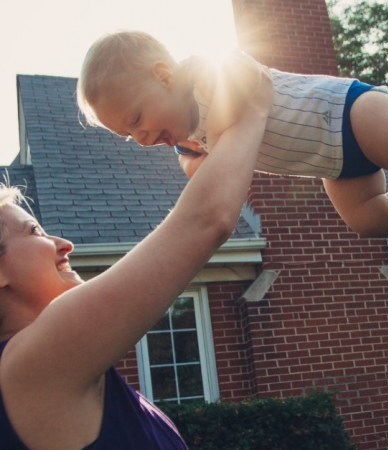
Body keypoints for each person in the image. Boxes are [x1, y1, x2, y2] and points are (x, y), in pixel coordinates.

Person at [0, 71, 272, 450]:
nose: (64, 244)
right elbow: (205, 221)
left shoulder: (59, 367)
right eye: (34, 232)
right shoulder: (31, 366)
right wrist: (257, 101)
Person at [77, 30, 388, 239]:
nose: (141, 136)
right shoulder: (185, 140)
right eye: (128, 134)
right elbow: (202, 174)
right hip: (335, 164)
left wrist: (220, 138)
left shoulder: (204, 73)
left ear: (164, 75)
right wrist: (200, 163)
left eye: (137, 118)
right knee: (371, 220)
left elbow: (246, 73)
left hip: (348, 110)